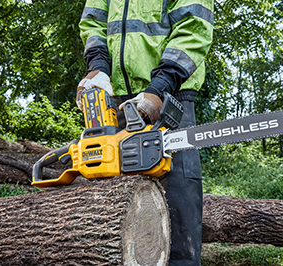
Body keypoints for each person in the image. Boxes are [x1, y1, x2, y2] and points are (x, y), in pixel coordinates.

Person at [77, 1, 214, 265]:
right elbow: (92, 22)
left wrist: (161, 85)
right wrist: (98, 67)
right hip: (113, 103)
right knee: (112, 218)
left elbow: (194, 28)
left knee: (178, 210)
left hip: (170, 97)